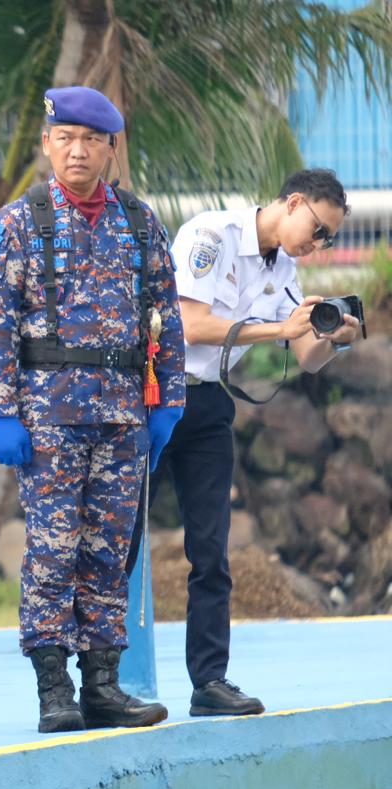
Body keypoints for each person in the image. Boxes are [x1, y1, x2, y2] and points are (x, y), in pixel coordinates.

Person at [0, 86, 185, 734]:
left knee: (108, 552)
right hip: (49, 418)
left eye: (91, 140)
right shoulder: (19, 223)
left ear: (110, 149)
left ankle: (103, 684)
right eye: (65, 138)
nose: (78, 150)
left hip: (123, 416)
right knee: (52, 551)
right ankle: (53, 689)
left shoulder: (140, 222)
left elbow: (167, 315)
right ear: (47, 144)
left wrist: (170, 400)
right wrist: (1, 411)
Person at [124, 168, 358, 718]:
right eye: (318, 230)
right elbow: (189, 324)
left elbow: (305, 357)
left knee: (212, 550)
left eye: (328, 239)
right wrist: (277, 330)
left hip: (208, 404)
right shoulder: (213, 235)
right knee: (121, 540)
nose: (318, 244)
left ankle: (210, 680)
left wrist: (336, 338)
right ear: (293, 202)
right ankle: (101, 679)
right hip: (154, 395)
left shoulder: (285, 269)